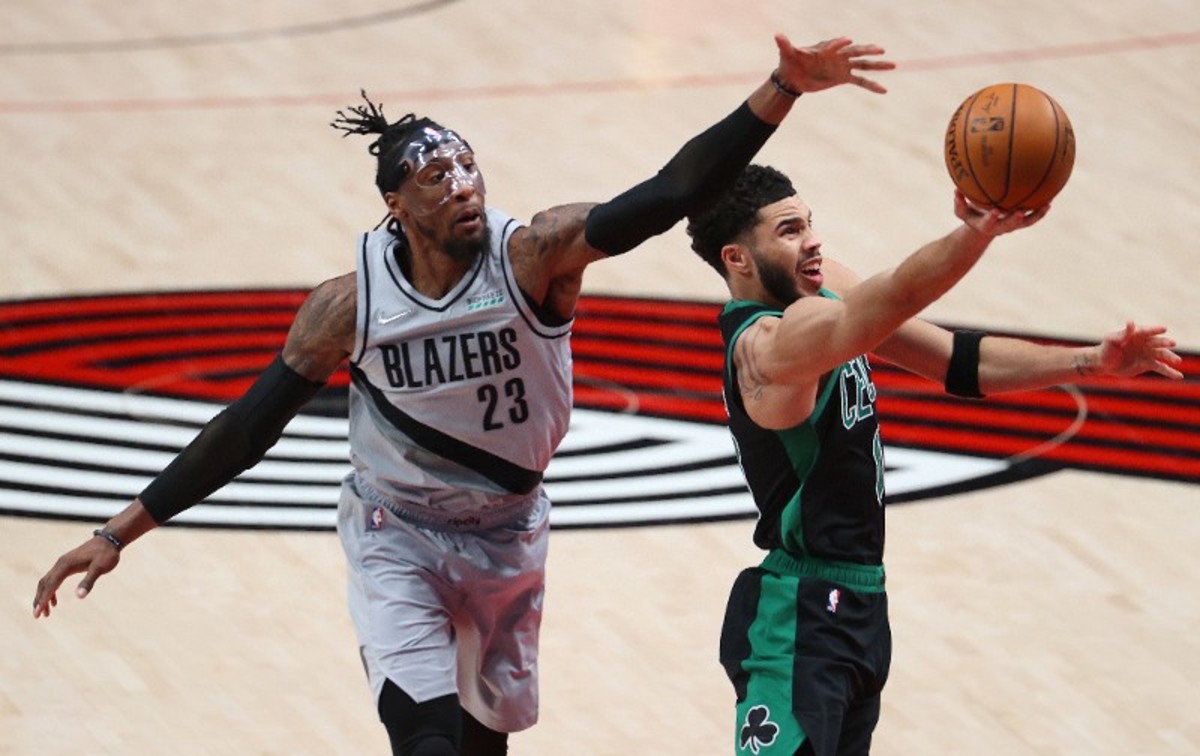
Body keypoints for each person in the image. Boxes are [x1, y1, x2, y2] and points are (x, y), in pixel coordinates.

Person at [31, 36, 896, 756]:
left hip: (507, 533)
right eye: (436, 176)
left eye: (469, 166)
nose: (462, 184)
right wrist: (119, 532)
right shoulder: (348, 308)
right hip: (396, 532)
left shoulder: (536, 256)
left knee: (482, 746)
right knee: (426, 740)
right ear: (395, 204)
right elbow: (247, 427)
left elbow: (669, 194)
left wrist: (782, 87)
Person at [684, 164, 1184, 756]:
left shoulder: (820, 290)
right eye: (790, 231)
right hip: (798, 617)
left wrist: (1091, 362)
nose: (813, 240)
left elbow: (957, 362)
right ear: (737, 258)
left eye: (809, 223)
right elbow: (893, 294)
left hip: (859, 604)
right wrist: (976, 232)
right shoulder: (764, 348)